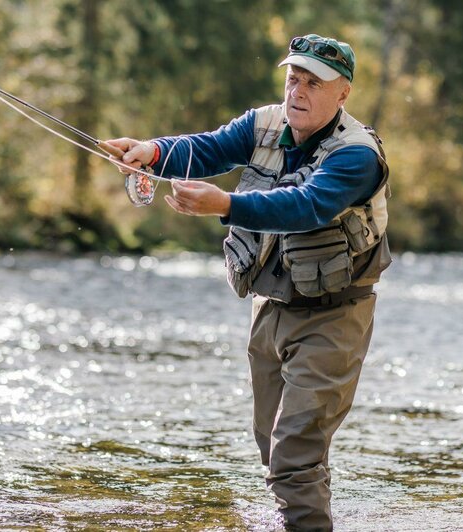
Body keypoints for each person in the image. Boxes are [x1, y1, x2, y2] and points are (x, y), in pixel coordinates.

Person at [105, 34, 390, 531]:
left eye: (313, 84)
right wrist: (151, 153)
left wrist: (225, 205)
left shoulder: (357, 156)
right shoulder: (263, 123)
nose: (297, 92)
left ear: (342, 93)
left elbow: (306, 207)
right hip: (270, 307)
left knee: (294, 453)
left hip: (334, 316)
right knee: (271, 444)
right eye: (292, 79)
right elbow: (208, 149)